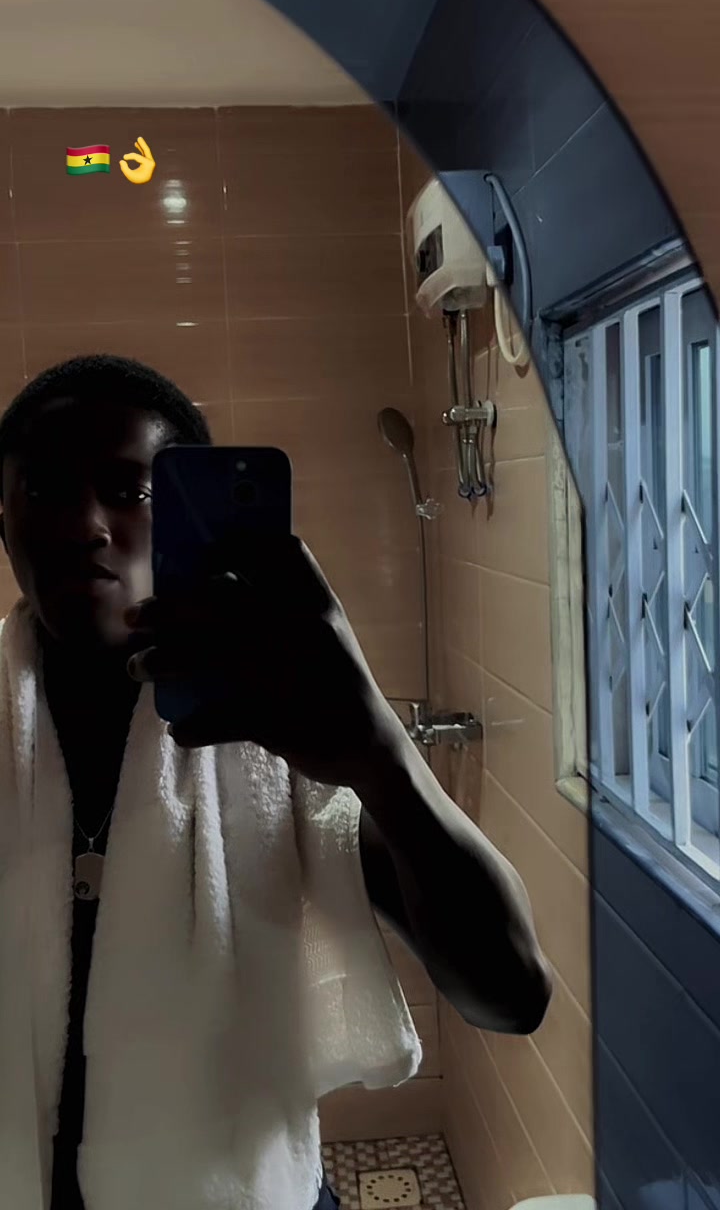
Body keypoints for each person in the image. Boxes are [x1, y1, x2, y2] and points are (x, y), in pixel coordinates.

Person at [0, 355, 551, 1210]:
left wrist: (380, 753)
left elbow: (511, 995)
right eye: (43, 491)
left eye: (131, 490)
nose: (85, 526)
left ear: (187, 515)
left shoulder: (278, 730)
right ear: (4, 525)